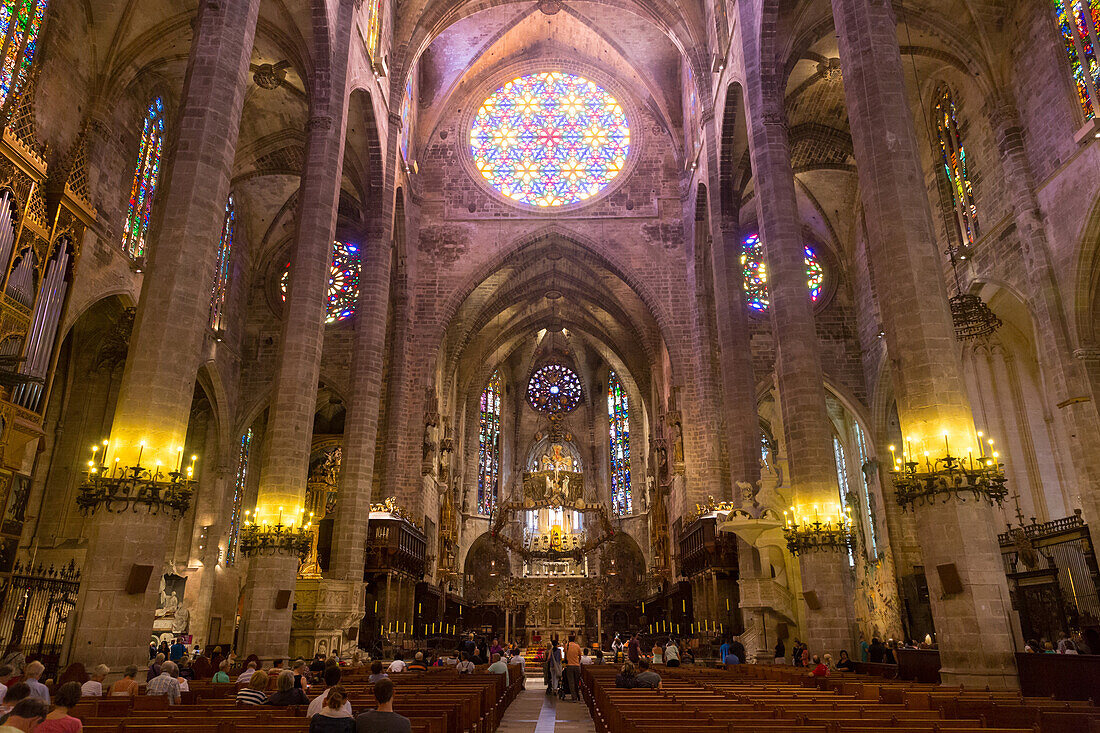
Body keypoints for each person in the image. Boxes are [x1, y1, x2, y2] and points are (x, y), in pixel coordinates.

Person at [563, 635, 581, 701]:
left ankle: (574, 697)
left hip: (569, 665)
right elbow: (580, 656)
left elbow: (565, 655)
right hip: (576, 665)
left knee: (571, 682)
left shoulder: (566, 646)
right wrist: (577, 662)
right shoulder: (577, 646)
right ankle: (577, 694)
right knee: (576, 681)